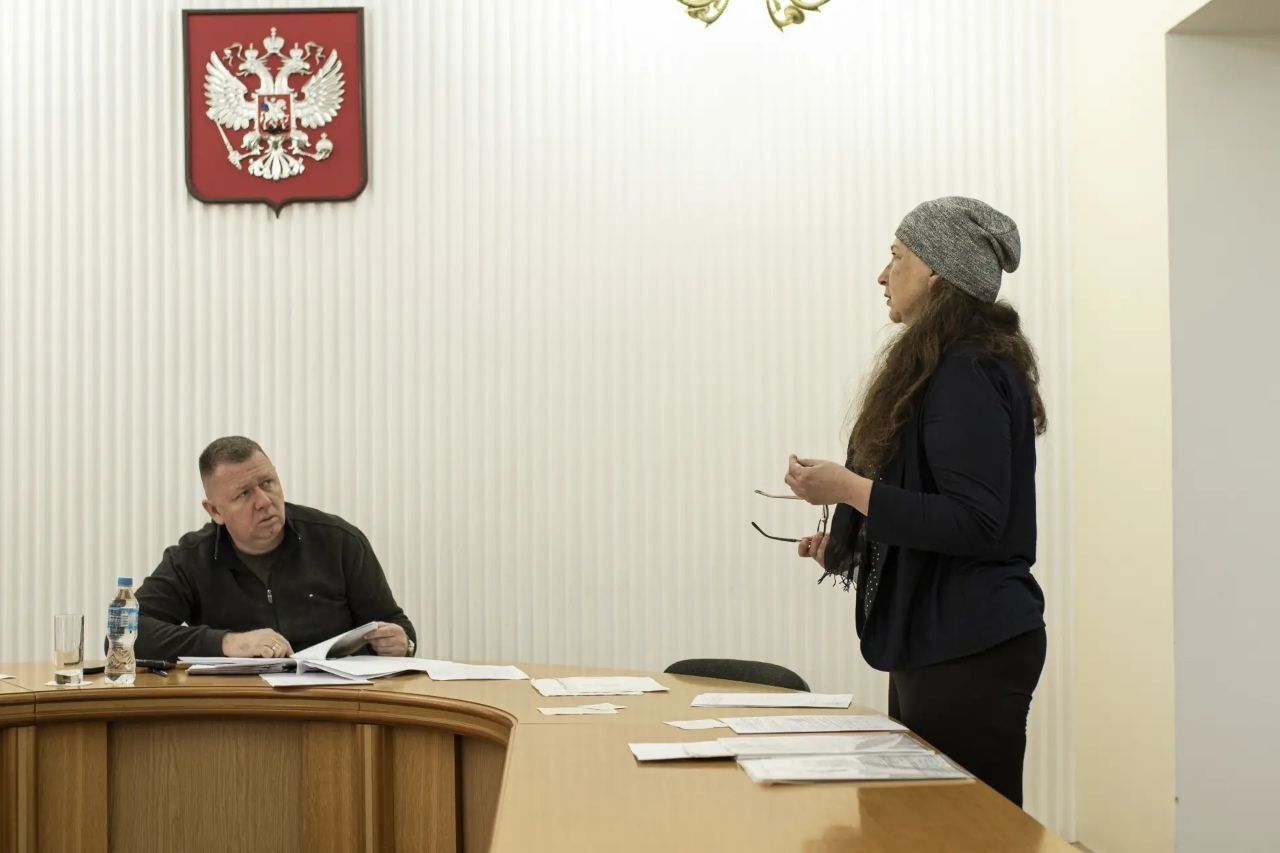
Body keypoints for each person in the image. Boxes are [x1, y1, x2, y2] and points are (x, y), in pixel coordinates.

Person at [783, 197, 1047, 807]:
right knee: (922, 822)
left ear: (934, 270)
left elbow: (975, 522)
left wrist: (846, 489)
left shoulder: (966, 370)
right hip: (941, 639)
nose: (883, 274)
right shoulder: (947, 366)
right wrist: (853, 548)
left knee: (964, 833)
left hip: (969, 646)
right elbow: (932, 509)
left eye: (896, 256)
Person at [135, 436, 417, 661]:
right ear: (215, 511)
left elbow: (395, 624)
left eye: (267, 483)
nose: (264, 501)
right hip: (241, 705)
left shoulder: (339, 541)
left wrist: (404, 643)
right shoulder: (191, 558)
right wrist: (228, 642)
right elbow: (127, 632)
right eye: (244, 494)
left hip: (335, 702)